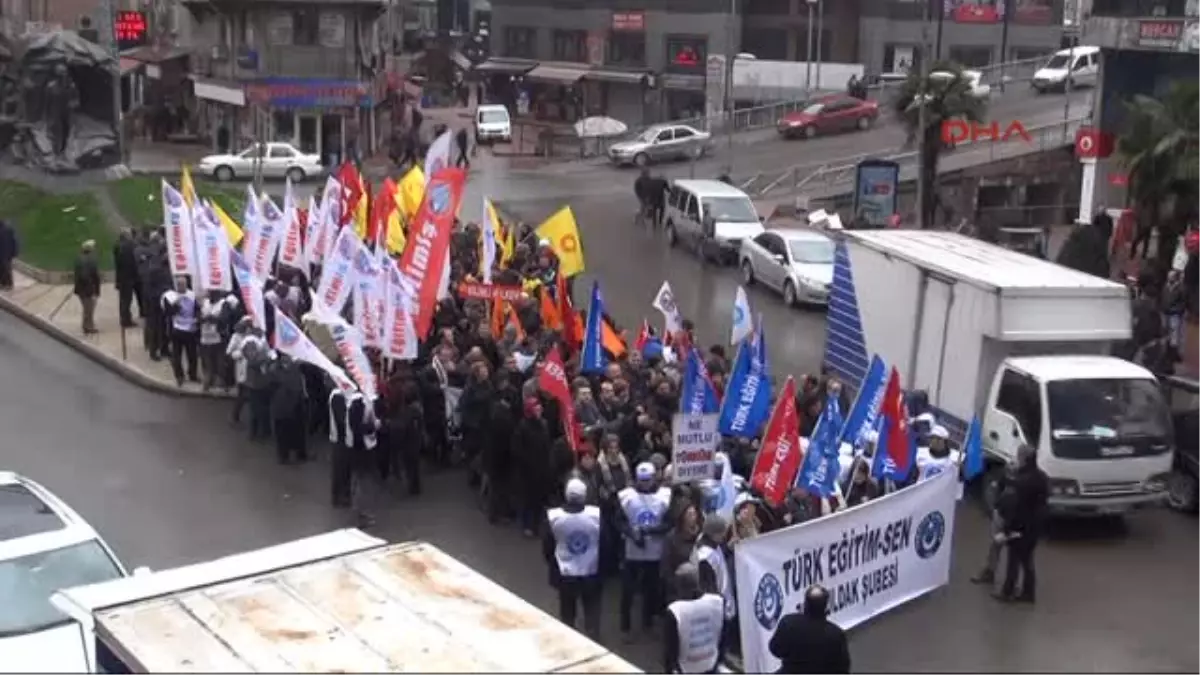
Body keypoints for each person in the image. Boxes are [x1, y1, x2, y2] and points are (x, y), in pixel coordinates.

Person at [617, 461, 672, 642]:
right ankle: (625, 627)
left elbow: (669, 523)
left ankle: (647, 622)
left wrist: (650, 531)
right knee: (628, 591)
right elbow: (618, 520)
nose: (645, 484)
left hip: (654, 552)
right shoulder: (627, 496)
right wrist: (631, 533)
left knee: (651, 589)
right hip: (632, 551)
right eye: (642, 480)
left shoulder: (664, 496)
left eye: (648, 480)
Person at [543, 477, 603, 640]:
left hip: (565, 573)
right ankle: (593, 640)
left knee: (567, 612)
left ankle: (568, 640)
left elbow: (548, 546)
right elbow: (607, 542)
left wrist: (553, 563)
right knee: (591, 611)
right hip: (591, 572)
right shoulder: (596, 516)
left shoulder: (554, 517)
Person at [994, 443, 1049, 603]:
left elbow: (1016, 508)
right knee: (1027, 561)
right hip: (1035, 527)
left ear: (1023, 458)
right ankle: (1028, 593)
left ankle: (1007, 592)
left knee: (1013, 561)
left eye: (1018, 456)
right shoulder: (1041, 477)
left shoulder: (1022, 481)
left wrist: (1007, 530)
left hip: (1020, 527)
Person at [768, 585, 850, 674]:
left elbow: (775, 649)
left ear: (805, 604)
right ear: (825, 606)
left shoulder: (788, 623)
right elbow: (843, 667)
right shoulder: (835, 634)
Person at [663, 562, 725, 674]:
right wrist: (718, 662)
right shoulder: (717, 602)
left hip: (687, 669)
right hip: (711, 665)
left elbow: (671, 651)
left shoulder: (675, 611)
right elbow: (724, 639)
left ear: (678, 586)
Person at [693, 514, 737, 661]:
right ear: (714, 533)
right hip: (718, 606)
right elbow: (708, 586)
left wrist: (727, 548)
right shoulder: (705, 556)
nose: (724, 535)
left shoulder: (713, 545)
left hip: (723, 601)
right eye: (722, 532)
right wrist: (720, 604)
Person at [971, 460, 1018, 586]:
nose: (1010, 472)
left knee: (1016, 551)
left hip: (1015, 520)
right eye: (1009, 469)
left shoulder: (1023, 481)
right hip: (1000, 516)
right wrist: (993, 509)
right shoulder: (1002, 478)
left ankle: (1012, 581)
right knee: (994, 545)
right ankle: (989, 571)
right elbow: (992, 492)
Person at [162, 276, 200, 386]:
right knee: (176, 355)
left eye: (183, 284)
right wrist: (176, 305)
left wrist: (197, 318)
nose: (181, 287)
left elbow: (197, 309)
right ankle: (179, 376)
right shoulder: (170, 296)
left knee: (192, 354)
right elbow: (168, 312)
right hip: (177, 330)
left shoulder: (192, 295)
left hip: (190, 329)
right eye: (179, 284)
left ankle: (192, 374)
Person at [328, 386, 353, 507]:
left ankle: (342, 495)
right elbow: (341, 419)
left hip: (342, 438)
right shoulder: (338, 396)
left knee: (345, 468)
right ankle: (339, 496)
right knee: (341, 468)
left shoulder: (342, 394)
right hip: (340, 438)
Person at [112, 229, 141, 327]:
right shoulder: (129, 247)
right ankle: (126, 320)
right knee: (127, 300)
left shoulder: (117, 246)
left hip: (121, 277)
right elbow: (132, 262)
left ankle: (124, 318)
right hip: (129, 277)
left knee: (123, 300)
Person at [73, 240, 102, 334]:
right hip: (87, 289)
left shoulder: (79, 259)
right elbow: (93, 276)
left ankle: (87, 325)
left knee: (87, 308)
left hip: (81, 288)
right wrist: (95, 289)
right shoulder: (90, 261)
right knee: (89, 308)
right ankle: (88, 327)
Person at [0, 218, 17, 291]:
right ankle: (3, 283)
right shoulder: (7, 229)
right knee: (2, 269)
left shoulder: (7, 230)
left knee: (6, 269)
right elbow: (14, 241)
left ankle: (9, 284)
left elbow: (14, 242)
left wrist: (14, 252)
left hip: (6, 253)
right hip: (4, 252)